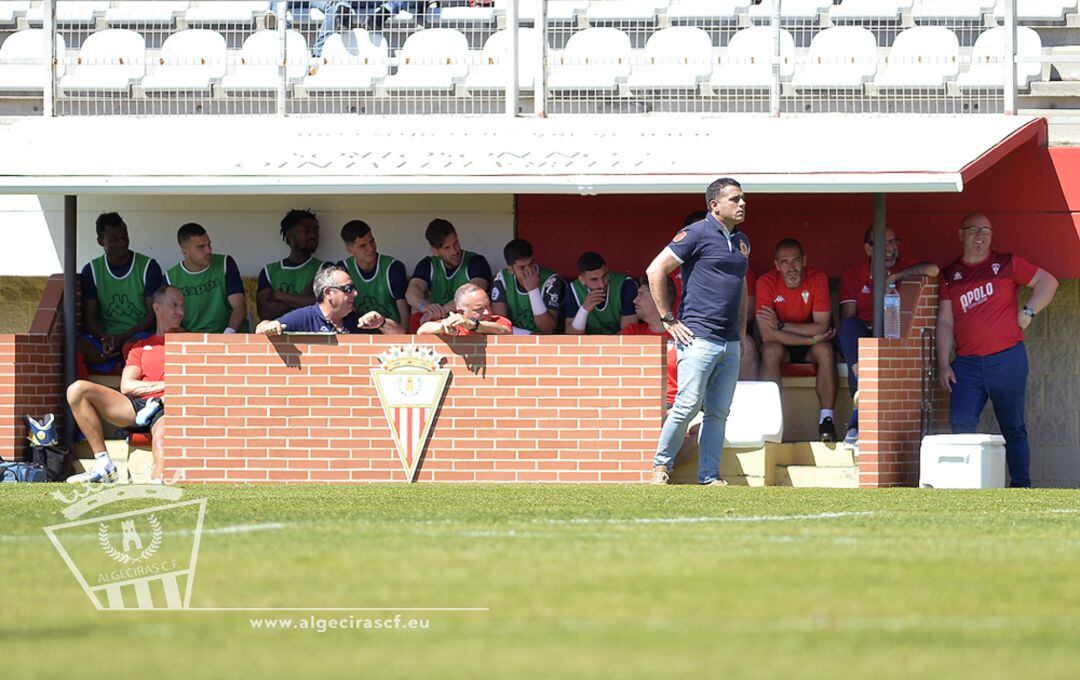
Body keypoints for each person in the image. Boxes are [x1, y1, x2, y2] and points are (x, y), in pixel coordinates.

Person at [937, 213, 1058, 488]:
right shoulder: (949, 275)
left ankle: (1020, 487)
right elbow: (945, 322)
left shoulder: (1005, 263)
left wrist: (1028, 311)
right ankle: (966, 486)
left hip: (1007, 358)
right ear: (961, 234)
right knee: (960, 422)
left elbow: (1048, 282)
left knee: (1013, 427)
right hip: (967, 364)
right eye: (974, 230)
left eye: (986, 231)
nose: (980, 236)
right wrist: (943, 363)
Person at [645, 177, 750, 486]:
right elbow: (655, 270)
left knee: (718, 412)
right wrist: (668, 319)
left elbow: (740, 286)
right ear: (714, 206)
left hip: (729, 341)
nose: (742, 204)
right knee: (687, 405)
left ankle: (709, 476)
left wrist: (741, 331)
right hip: (698, 336)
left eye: (743, 199)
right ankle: (660, 466)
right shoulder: (696, 233)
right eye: (735, 199)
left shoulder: (743, 240)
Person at [66, 286, 185, 484]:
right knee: (77, 389)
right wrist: (164, 386)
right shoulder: (140, 347)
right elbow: (127, 386)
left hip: (169, 405)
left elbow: (190, 382)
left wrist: (165, 394)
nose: (180, 312)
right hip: (139, 407)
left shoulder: (192, 342)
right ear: (157, 308)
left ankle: (158, 482)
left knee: (163, 436)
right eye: (174, 306)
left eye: (182, 306)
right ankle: (104, 465)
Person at [838, 225, 939, 444]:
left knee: (868, 353)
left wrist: (896, 278)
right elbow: (848, 317)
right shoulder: (853, 275)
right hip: (863, 333)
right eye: (885, 243)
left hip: (892, 333)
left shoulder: (904, 265)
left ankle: (857, 419)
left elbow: (933, 270)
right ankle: (864, 393)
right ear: (868, 249)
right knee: (849, 329)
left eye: (894, 242)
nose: (891, 248)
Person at [755, 238, 838, 442]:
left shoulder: (817, 278)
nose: (791, 267)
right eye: (785, 262)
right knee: (769, 350)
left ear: (804, 260)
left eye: (796, 260)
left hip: (812, 345)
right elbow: (767, 335)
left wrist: (782, 325)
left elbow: (822, 326)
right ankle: (770, 421)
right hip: (789, 345)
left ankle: (826, 420)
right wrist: (810, 339)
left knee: (826, 350)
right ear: (776, 265)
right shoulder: (766, 282)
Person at [77, 212, 164, 373]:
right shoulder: (92, 270)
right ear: (100, 241)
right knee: (77, 346)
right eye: (115, 240)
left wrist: (122, 337)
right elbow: (89, 319)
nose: (122, 243)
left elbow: (152, 317)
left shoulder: (148, 267)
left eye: (125, 238)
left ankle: (111, 365)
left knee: (134, 348)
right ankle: (115, 364)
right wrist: (104, 338)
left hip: (137, 335)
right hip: (106, 338)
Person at [679, 210, 759, 380]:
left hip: (725, 333)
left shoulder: (737, 261)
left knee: (748, 346)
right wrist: (670, 322)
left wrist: (741, 332)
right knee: (688, 404)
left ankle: (740, 402)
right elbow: (653, 274)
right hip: (688, 333)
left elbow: (750, 309)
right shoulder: (673, 267)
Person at [256, 264, 393, 335]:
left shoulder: (358, 320)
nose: (355, 293)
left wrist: (382, 322)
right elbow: (263, 330)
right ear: (328, 293)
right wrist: (267, 326)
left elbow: (400, 335)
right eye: (348, 289)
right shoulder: (305, 316)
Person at [165, 223, 249, 334]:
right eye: (201, 247)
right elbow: (170, 321)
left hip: (231, 335)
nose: (208, 251)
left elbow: (239, 307)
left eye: (209, 244)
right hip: (194, 341)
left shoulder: (225, 263)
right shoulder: (170, 278)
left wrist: (227, 336)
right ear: (185, 252)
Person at [407, 218, 492, 323]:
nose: (454, 251)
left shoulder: (476, 261)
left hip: (467, 322)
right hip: (436, 322)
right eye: (447, 248)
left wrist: (441, 311)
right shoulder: (428, 264)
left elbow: (477, 289)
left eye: (455, 243)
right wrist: (424, 306)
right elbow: (411, 291)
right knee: (416, 307)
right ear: (435, 251)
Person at [339, 219, 409, 334]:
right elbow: (346, 312)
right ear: (349, 250)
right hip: (360, 337)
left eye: (372, 241)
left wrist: (406, 341)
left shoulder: (393, 267)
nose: (371, 248)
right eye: (363, 246)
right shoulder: (343, 269)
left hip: (391, 334)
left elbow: (405, 315)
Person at [620, 276, 678, 409]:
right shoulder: (631, 333)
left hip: (676, 409)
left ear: (658, 298)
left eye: (640, 295)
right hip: (638, 407)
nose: (634, 300)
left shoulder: (683, 335)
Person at [256, 209, 323, 323]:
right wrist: (302, 299)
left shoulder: (324, 268)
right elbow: (265, 312)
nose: (313, 235)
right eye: (306, 230)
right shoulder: (270, 271)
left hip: (311, 334)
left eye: (315, 230)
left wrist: (280, 295)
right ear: (290, 235)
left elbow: (320, 304)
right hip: (278, 336)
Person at [490, 238, 565, 335]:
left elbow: (547, 330)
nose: (528, 270)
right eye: (522, 267)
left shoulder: (551, 280)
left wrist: (533, 291)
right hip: (516, 340)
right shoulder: (502, 279)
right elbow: (499, 325)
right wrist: (528, 335)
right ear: (510, 270)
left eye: (531, 264)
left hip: (546, 344)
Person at [564, 251, 638, 335]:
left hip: (617, 346)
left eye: (604, 276)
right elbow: (572, 335)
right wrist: (584, 309)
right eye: (594, 279)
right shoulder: (574, 289)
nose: (602, 284)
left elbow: (629, 333)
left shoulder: (625, 285)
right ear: (582, 280)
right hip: (589, 345)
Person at [416, 283, 512, 336]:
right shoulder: (457, 324)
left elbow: (504, 330)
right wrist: (443, 326)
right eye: (479, 309)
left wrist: (474, 324)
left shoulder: (499, 321)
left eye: (488, 306)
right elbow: (421, 330)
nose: (487, 312)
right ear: (461, 312)